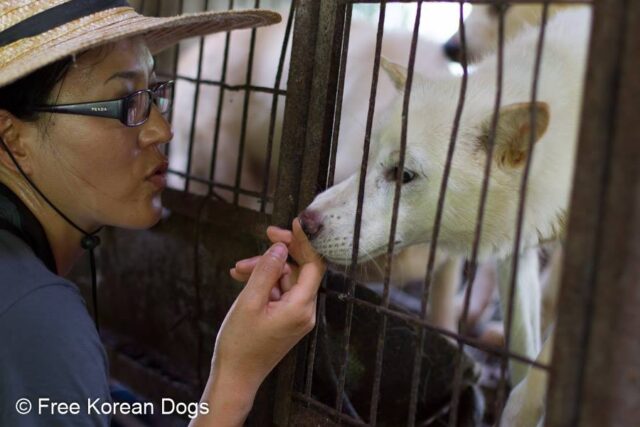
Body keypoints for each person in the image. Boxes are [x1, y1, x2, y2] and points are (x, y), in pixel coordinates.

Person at [0, 1, 325, 426]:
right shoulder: (38, 319)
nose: (162, 130)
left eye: (154, 94)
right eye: (125, 102)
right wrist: (234, 378)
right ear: (13, 138)